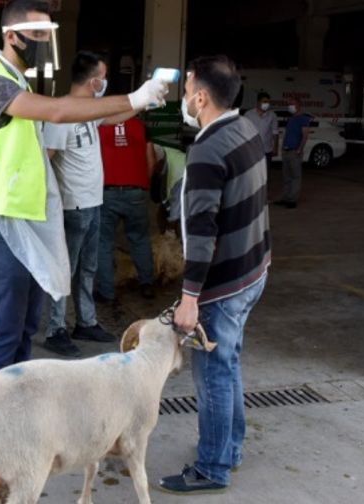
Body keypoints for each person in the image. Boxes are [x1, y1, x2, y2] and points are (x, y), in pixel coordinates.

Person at [0, 0, 168, 383]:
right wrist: (134, 98)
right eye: (38, 35)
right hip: (1, 226)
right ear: (12, 36)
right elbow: (59, 112)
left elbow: (90, 112)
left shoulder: (20, 83)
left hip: (29, 224)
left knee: (25, 329)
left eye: (49, 34)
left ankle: (17, 404)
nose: (45, 42)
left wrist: (142, 103)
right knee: (6, 331)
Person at [160, 55, 271, 495]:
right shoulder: (247, 129)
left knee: (213, 375)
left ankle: (211, 468)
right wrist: (264, 255)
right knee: (228, 365)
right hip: (252, 272)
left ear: (202, 97)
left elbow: (202, 233)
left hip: (223, 286)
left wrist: (190, 298)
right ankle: (231, 447)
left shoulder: (207, 151)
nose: (185, 96)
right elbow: (259, 200)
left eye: (187, 89)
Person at [41, 51, 123, 358]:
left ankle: (85, 322)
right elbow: (45, 160)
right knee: (65, 270)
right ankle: (55, 329)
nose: (105, 82)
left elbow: (113, 115)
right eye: (103, 76)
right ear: (93, 81)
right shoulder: (61, 114)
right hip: (72, 206)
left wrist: (143, 102)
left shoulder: (88, 110)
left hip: (94, 202)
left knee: (88, 268)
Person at [95, 114, 157, 307]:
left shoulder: (99, 124)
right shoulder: (141, 125)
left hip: (107, 191)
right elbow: (152, 160)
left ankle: (106, 292)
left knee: (104, 243)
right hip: (135, 192)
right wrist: (140, 184)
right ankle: (147, 284)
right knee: (140, 239)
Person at [275, 97, 311, 209]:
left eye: (292, 104)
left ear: (299, 105)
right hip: (286, 151)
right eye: (289, 104)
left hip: (294, 151)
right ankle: (286, 198)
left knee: (295, 176)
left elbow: (305, 136)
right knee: (287, 176)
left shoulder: (303, 119)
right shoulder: (292, 118)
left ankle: (292, 200)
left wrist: (299, 149)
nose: (290, 106)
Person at [243, 92, 278, 166]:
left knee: (265, 173)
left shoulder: (272, 115)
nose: (267, 104)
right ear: (258, 102)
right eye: (265, 102)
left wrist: (275, 147)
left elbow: (275, 133)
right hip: (252, 151)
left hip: (267, 150)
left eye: (268, 102)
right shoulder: (248, 114)